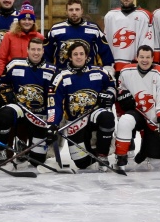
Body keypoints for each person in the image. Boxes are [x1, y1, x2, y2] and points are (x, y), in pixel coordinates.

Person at [49, 41, 118, 172]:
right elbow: (55, 104)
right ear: (70, 57)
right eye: (75, 54)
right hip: (75, 123)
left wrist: (109, 94)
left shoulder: (100, 72)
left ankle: (102, 156)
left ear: (87, 56)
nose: (79, 57)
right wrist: (52, 124)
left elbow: (112, 86)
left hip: (93, 116)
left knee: (107, 116)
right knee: (82, 163)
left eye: (81, 54)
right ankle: (92, 153)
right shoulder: (61, 77)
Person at [0, 37, 59, 168]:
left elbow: (54, 99)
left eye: (39, 50)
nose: (36, 53)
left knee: (37, 162)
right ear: (27, 50)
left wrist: (52, 123)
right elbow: (3, 83)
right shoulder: (15, 64)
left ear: (43, 51)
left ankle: (27, 149)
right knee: (4, 114)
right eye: (33, 49)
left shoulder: (52, 70)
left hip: (40, 115)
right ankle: (2, 150)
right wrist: (8, 95)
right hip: (20, 109)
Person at [113, 45, 160, 171]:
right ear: (137, 58)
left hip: (154, 117)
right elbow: (121, 89)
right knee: (125, 120)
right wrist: (123, 96)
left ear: (152, 58)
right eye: (141, 57)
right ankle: (121, 157)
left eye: (147, 57)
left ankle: (145, 151)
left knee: (157, 163)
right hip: (137, 113)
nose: (144, 60)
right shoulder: (126, 71)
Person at [45, 0, 115, 76]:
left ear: (82, 11)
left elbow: (105, 54)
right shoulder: (55, 30)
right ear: (66, 12)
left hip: (88, 77)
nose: (74, 12)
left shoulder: (94, 29)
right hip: (62, 77)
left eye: (77, 9)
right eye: (71, 10)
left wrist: (108, 75)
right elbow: (46, 55)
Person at [104, 0, 156, 74]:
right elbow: (106, 40)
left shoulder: (144, 16)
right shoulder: (110, 16)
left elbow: (147, 42)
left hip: (135, 66)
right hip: (114, 66)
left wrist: (141, 60)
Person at [0, 1, 44, 79]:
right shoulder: (9, 36)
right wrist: (1, 77)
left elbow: (44, 59)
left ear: (33, 21)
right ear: (19, 21)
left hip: (33, 77)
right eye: (24, 19)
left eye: (30, 19)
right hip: (12, 77)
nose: (27, 22)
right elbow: (1, 58)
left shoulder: (40, 37)